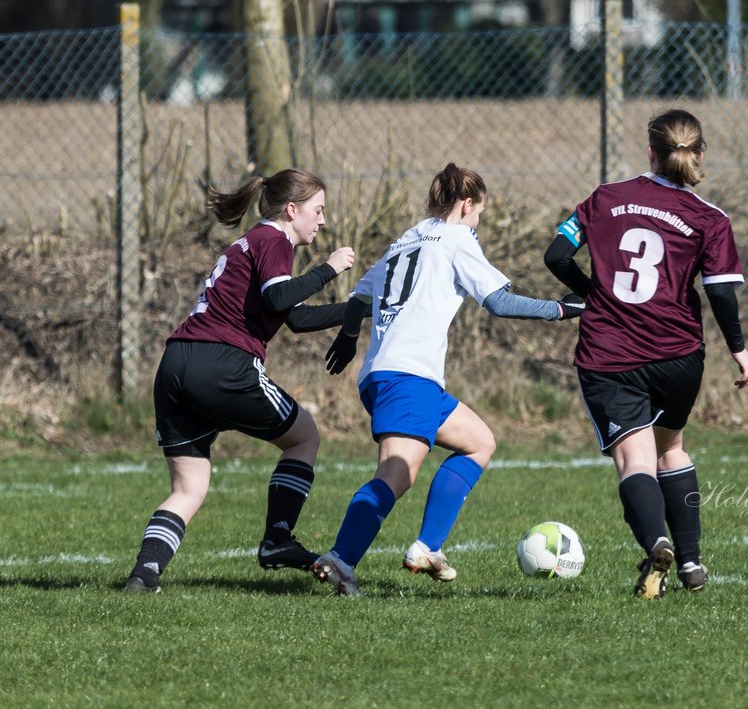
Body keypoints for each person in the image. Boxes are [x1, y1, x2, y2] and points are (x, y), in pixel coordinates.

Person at [312, 163, 583, 596]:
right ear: (466, 203)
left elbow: (361, 293)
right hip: (409, 375)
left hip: (386, 375)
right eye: (478, 213)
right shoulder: (457, 238)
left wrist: (348, 336)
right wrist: (562, 310)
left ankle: (428, 546)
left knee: (479, 441)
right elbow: (498, 302)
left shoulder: (406, 238)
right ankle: (341, 559)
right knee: (395, 476)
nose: (478, 223)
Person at [543, 109, 748, 599]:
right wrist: (740, 351)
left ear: (649, 152)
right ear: (700, 154)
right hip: (679, 354)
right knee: (672, 447)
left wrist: (593, 293)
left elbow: (556, 255)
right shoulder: (710, 219)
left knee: (633, 461)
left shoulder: (605, 198)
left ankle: (656, 539)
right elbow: (721, 293)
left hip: (610, 351)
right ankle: (693, 563)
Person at [122, 169, 357, 593]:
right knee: (304, 438)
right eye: (317, 210)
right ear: (292, 210)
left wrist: (357, 311)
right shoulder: (274, 240)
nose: (322, 221)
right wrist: (329, 268)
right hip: (223, 364)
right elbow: (280, 299)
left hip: (175, 363)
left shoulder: (253, 243)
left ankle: (144, 576)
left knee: (189, 487)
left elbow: (297, 318)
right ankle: (277, 540)